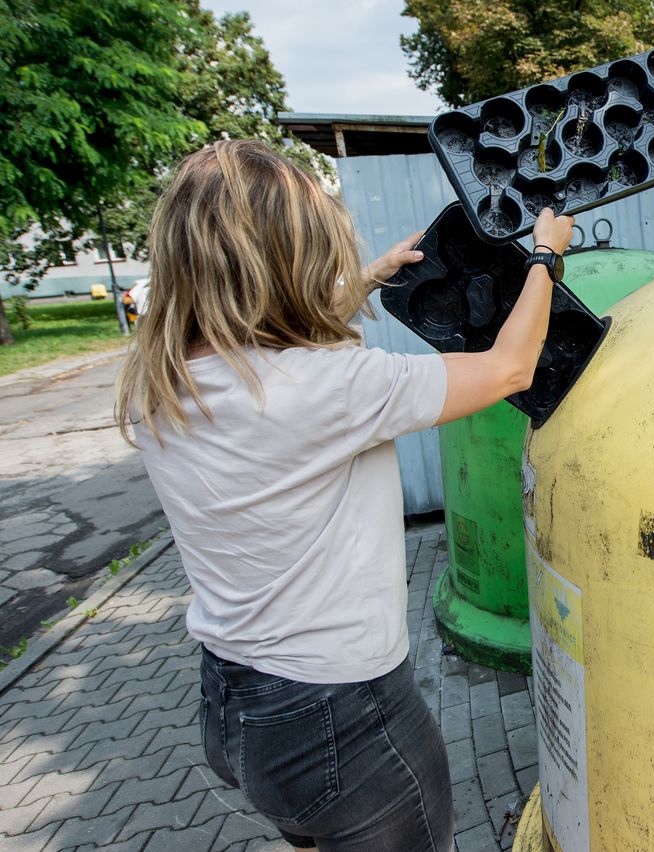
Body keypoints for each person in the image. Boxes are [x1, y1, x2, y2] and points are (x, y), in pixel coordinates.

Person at [115, 139, 574, 851]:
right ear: (284, 260)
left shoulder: (158, 377)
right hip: (345, 723)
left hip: (237, 708)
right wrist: (545, 256)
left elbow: (268, 341)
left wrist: (370, 278)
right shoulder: (327, 390)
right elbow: (511, 368)